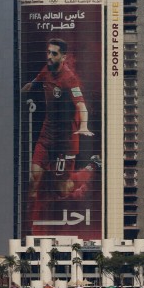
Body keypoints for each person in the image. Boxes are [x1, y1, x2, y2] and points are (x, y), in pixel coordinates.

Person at [21, 38, 95, 222]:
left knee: (62, 189)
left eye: (54, 53)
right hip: (46, 137)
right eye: (48, 52)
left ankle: (92, 166)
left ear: (63, 56)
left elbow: (81, 106)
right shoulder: (46, 70)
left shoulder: (70, 79)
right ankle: (28, 225)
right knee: (32, 180)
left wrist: (84, 126)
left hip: (65, 142)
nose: (49, 56)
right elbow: (33, 84)